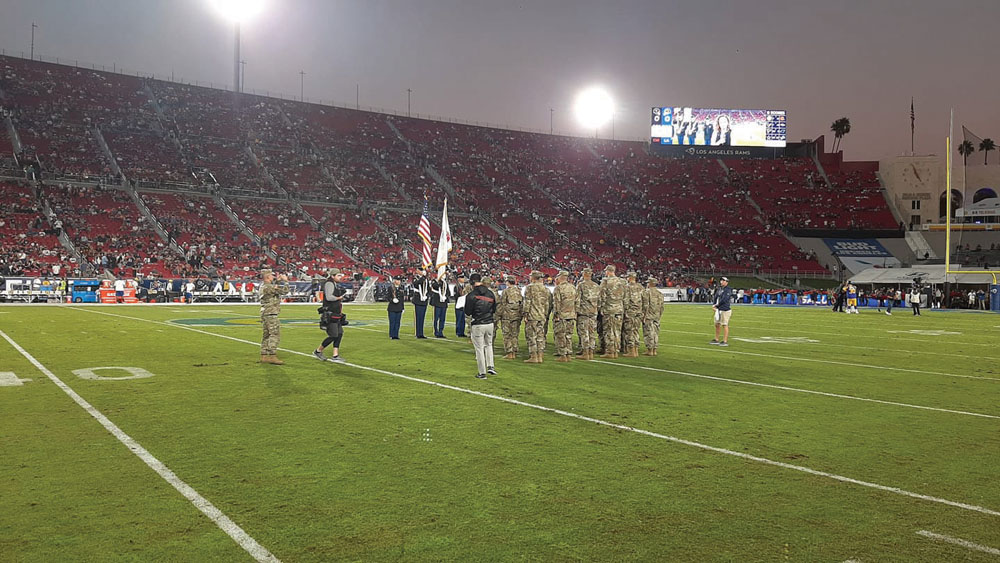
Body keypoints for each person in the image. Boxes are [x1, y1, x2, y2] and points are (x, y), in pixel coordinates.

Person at [463, 273, 497, 379]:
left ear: (472, 282)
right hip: (490, 323)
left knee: (479, 348)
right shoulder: (491, 293)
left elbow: (468, 312)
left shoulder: (471, 295)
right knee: (489, 345)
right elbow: (494, 309)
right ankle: (491, 366)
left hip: (478, 324)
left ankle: (482, 373)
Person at [314, 269, 347, 362]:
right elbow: (329, 297)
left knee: (339, 333)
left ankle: (335, 355)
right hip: (330, 314)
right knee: (333, 335)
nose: (340, 277)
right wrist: (339, 297)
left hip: (336, 313)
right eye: (338, 275)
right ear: (332, 276)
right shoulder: (329, 283)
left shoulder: (334, 284)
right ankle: (318, 351)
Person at [258, 269, 289, 364]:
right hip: (271, 313)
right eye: (271, 276)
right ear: (267, 277)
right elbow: (284, 291)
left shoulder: (264, 286)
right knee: (274, 334)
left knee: (266, 335)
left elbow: (274, 288)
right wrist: (286, 281)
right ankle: (272, 355)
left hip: (266, 313)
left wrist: (278, 281)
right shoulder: (268, 287)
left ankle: (264, 355)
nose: (273, 277)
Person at [522, 270, 552, 364]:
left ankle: (533, 356)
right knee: (540, 336)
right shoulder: (545, 289)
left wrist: (525, 314)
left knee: (531, 336)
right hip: (542, 315)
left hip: (532, 315)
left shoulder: (530, 287)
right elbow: (547, 303)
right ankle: (540, 356)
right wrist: (545, 315)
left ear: (533, 278)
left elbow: (527, 302)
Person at [598, 265, 626, 359]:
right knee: (617, 331)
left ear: (608, 271)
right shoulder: (622, 281)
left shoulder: (605, 281)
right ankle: (616, 351)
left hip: (609, 310)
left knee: (609, 331)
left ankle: (610, 352)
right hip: (619, 309)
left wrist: (601, 308)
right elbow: (625, 296)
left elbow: (602, 296)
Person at [551, 270, 577, 362]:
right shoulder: (573, 287)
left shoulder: (558, 288)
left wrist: (556, 314)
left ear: (560, 277)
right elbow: (576, 302)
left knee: (560, 335)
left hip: (561, 315)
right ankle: (569, 354)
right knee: (568, 335)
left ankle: (563, 355)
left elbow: (557, 303)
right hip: (571, 314)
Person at [575, 267, 600, 361]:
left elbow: (577, 299)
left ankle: (585, 353)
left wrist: (576, 311)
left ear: (584, 274)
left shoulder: (581, 285)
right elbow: (600, 300)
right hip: (593, 312)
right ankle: (591, 352)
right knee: (592, 332)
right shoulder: (596, 286)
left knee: (584, 333)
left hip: (584, 312)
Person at [496, 274, 523, 359]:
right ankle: (514, 351)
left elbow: (503, 304)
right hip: (517, 316)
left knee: (507, 335)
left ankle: (509, 352)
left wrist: (498, 315)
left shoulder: (506, 291)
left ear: (508, 282)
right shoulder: (518, 290)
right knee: (514, 334)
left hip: (507, 316)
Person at [622, 271, 644, 357]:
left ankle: (631, 351)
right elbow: (644, 299)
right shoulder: (640, 287)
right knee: (636, 330)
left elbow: (626, 300)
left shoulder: (627, 287)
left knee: (629, 331)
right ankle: (636, 350)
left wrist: (625, 310)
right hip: (638, 311)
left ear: (629, 277)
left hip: (630, 312)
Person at [641, 276, 664, 356]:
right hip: (656, 315)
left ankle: (649, 350)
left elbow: (645, 305)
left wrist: (643, 316)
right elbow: (662, 307)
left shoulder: (647, 292)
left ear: (650, 283)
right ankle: (654, 350)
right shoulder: (659, 293)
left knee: (649, 332)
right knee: (656, 333)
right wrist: (660, 315)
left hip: (649, 315)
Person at [710, 277, 732, 347]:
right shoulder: (719, 289)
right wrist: (714, 305)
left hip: (724, 309)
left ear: (726, 282)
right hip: (718, 309)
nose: (721, 282)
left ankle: (725, 340)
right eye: (721, 280)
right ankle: (716, 339)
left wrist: (717, 305)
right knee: (717, 324)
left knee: (724, 324)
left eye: (723, 281)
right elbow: (716, 296)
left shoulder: (728, 289)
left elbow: (725, 299)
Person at [410, 268, 430, 339]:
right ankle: (418, 333)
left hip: (424, 299)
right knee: (418, 317)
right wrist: (423, 277)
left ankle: (421, 333)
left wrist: (427, 296)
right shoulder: (415, 277)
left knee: (422, 317)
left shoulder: (426, 279)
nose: (421, 272)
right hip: (418, 299)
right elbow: (416, 283)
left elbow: (428, 288)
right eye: (420, 271)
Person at [430, 272, 449, 338]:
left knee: (442, 318)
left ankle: (441, 331)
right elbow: (435, 286)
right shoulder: (435, 281)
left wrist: (446, 296)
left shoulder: (445, 283)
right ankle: (436, 331)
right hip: (437, 302)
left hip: (443, 303)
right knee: (436, 318)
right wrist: (439, 281)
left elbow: (448, 291)